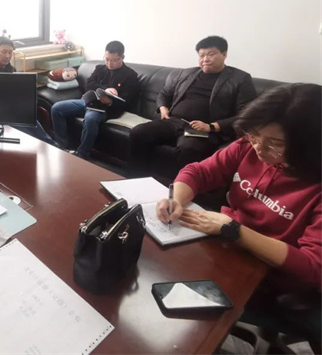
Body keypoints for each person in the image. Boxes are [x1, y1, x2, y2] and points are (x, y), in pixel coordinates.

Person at [156, 83, 321, 347]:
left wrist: (235, 231)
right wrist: (176, 198)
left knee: (180, 322)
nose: (259, 148)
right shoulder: (249, 146)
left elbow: (313, 267)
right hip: (227, 250)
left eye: (276, 144)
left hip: (274, 279)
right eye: (254, 135)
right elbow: (200, 172)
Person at [129, 35, 256, 177]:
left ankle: (176, 188)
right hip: (174, 121)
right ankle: (135, 179)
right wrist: (163, 108)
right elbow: (164, 93)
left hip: (204, 129)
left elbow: (245, 115)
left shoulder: (240, 79)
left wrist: (212, 126)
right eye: (201, 55)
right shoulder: (187, 73)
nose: (205, 59)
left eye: (211, 54)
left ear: (224, 54)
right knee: (138, 132)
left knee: (189, 149)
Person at [51, 40, 140, 159]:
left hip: (106, 108)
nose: (109, 63)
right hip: (88, 102)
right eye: (106, 59)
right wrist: (105, 89)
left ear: (122, 57)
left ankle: (82, 155)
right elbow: (89, 84)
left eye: (114, 60)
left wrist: (110, 102)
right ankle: (61, 146)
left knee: (90, 119)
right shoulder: (100, 68)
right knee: (57, 108)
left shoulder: (130, 76)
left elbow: (127, 100)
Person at [0, 36, 57, 146]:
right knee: (19, 121)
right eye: (4, 52)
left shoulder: (11, 69)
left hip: (9, 109)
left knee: (28, 117)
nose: (7, 56)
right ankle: (48, 144)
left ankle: (50, 143)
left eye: (10, 52)